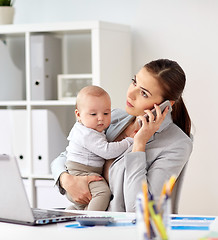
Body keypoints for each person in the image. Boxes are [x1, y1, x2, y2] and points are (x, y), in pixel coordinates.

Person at [51, 59, 193, 212]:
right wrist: (65, 179)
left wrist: (139, 145)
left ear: (166, 105)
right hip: (85, 221)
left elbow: (140, 210)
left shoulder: (177, 144)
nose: (131, 94)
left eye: (144, 93)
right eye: (134, 82)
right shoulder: (111, 118)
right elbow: (65, 156)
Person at [65, 85, 133, 211]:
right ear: (78, 115)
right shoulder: (87, 134)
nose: (101, 118)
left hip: (81, 171)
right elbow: (107, 151)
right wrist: (129, 141)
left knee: (86, 203)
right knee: (102, 193)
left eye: (106, 113)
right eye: (93, 114)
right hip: (82, 172)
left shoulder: (88, 128)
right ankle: (91, 219)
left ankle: (74, 211)